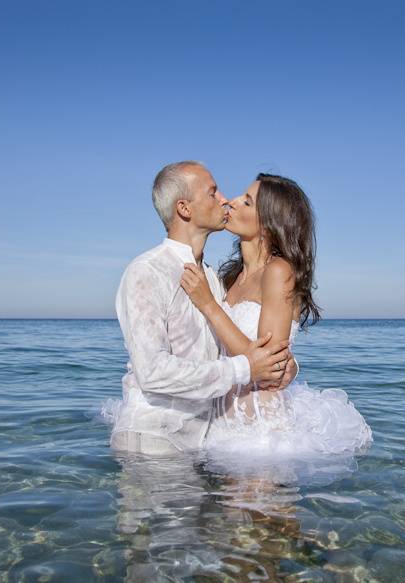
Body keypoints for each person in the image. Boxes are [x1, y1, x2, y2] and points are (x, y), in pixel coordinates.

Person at [106, 161, 298, 455]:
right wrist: (245, 368)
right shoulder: (147, 271)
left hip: (203, 443)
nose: (225, 199)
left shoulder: (213, 279)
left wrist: (286, 365)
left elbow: (234, 339)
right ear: (184, 208)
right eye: (212, 192)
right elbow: (153, 371)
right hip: (153, 440)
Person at [180, 173, 373, 456]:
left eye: (247, 202)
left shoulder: (278, 271)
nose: (231, 202)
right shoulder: (232, 277)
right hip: (219, 424)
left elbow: (266, 371)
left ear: (269, 225)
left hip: (257, 428)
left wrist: (208, 305)